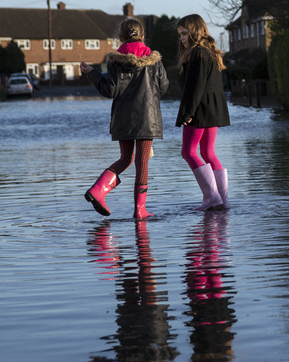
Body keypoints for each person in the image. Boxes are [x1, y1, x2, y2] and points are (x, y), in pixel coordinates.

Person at [80, 18, 170, 220]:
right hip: (147, 119)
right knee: (142, 162)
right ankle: (140, 210)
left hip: (123, 119)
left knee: (126, 159)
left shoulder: (115, 60)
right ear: (143, 36)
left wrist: (93, 73)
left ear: (119, 38)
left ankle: (98, 191)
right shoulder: (155, 60)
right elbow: (164, 87)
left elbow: (110, 90)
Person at [175, 14, 230, 210]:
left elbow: (194, 88)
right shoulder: (211, 52)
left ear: (194, 31)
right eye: (180, 34)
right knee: (208, 152)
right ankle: (222, 199)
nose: (181, 38)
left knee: (188, 151)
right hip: (214, 107)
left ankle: (211, 197)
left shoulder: (197, 53)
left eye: (184, 33)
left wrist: (187, 113)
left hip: (200, 108)